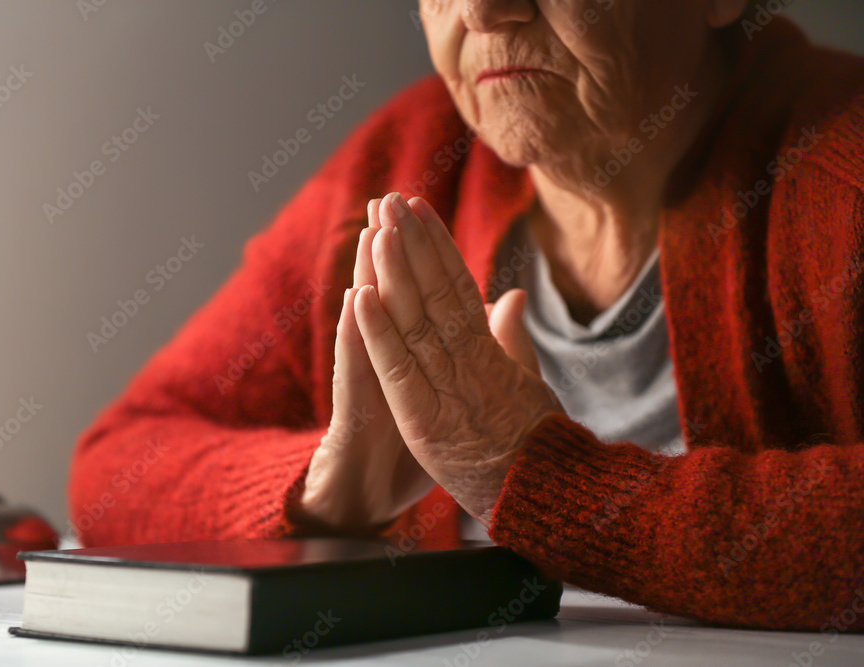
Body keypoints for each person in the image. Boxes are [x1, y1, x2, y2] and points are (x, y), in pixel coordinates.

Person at [68, 1, 864, 632]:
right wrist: (326, 490)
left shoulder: (842, 171)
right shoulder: (406, 163)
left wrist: (544, 480)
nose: (482, 9)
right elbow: (114, 468)